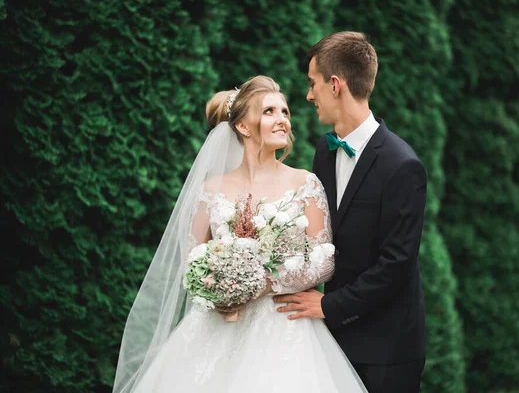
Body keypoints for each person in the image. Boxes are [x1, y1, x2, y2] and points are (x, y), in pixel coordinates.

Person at [112, 75, 367, 392]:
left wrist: (263, 282)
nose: (282, 120)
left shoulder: (305, 184)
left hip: (284, 327)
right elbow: (191, 259)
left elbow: (324, 260)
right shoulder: (210, 190)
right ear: (244, 127)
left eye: (284, 112)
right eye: (269, 112)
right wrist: (218, 286)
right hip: (216, 326)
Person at [274, 31, 428, 393]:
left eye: (312, 84)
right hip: (330, 339)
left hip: (386, 348)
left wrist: (330, 305)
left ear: (335, 84)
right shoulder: (323, 152)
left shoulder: (403, 165)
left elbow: (396, 264)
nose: (309, 95)